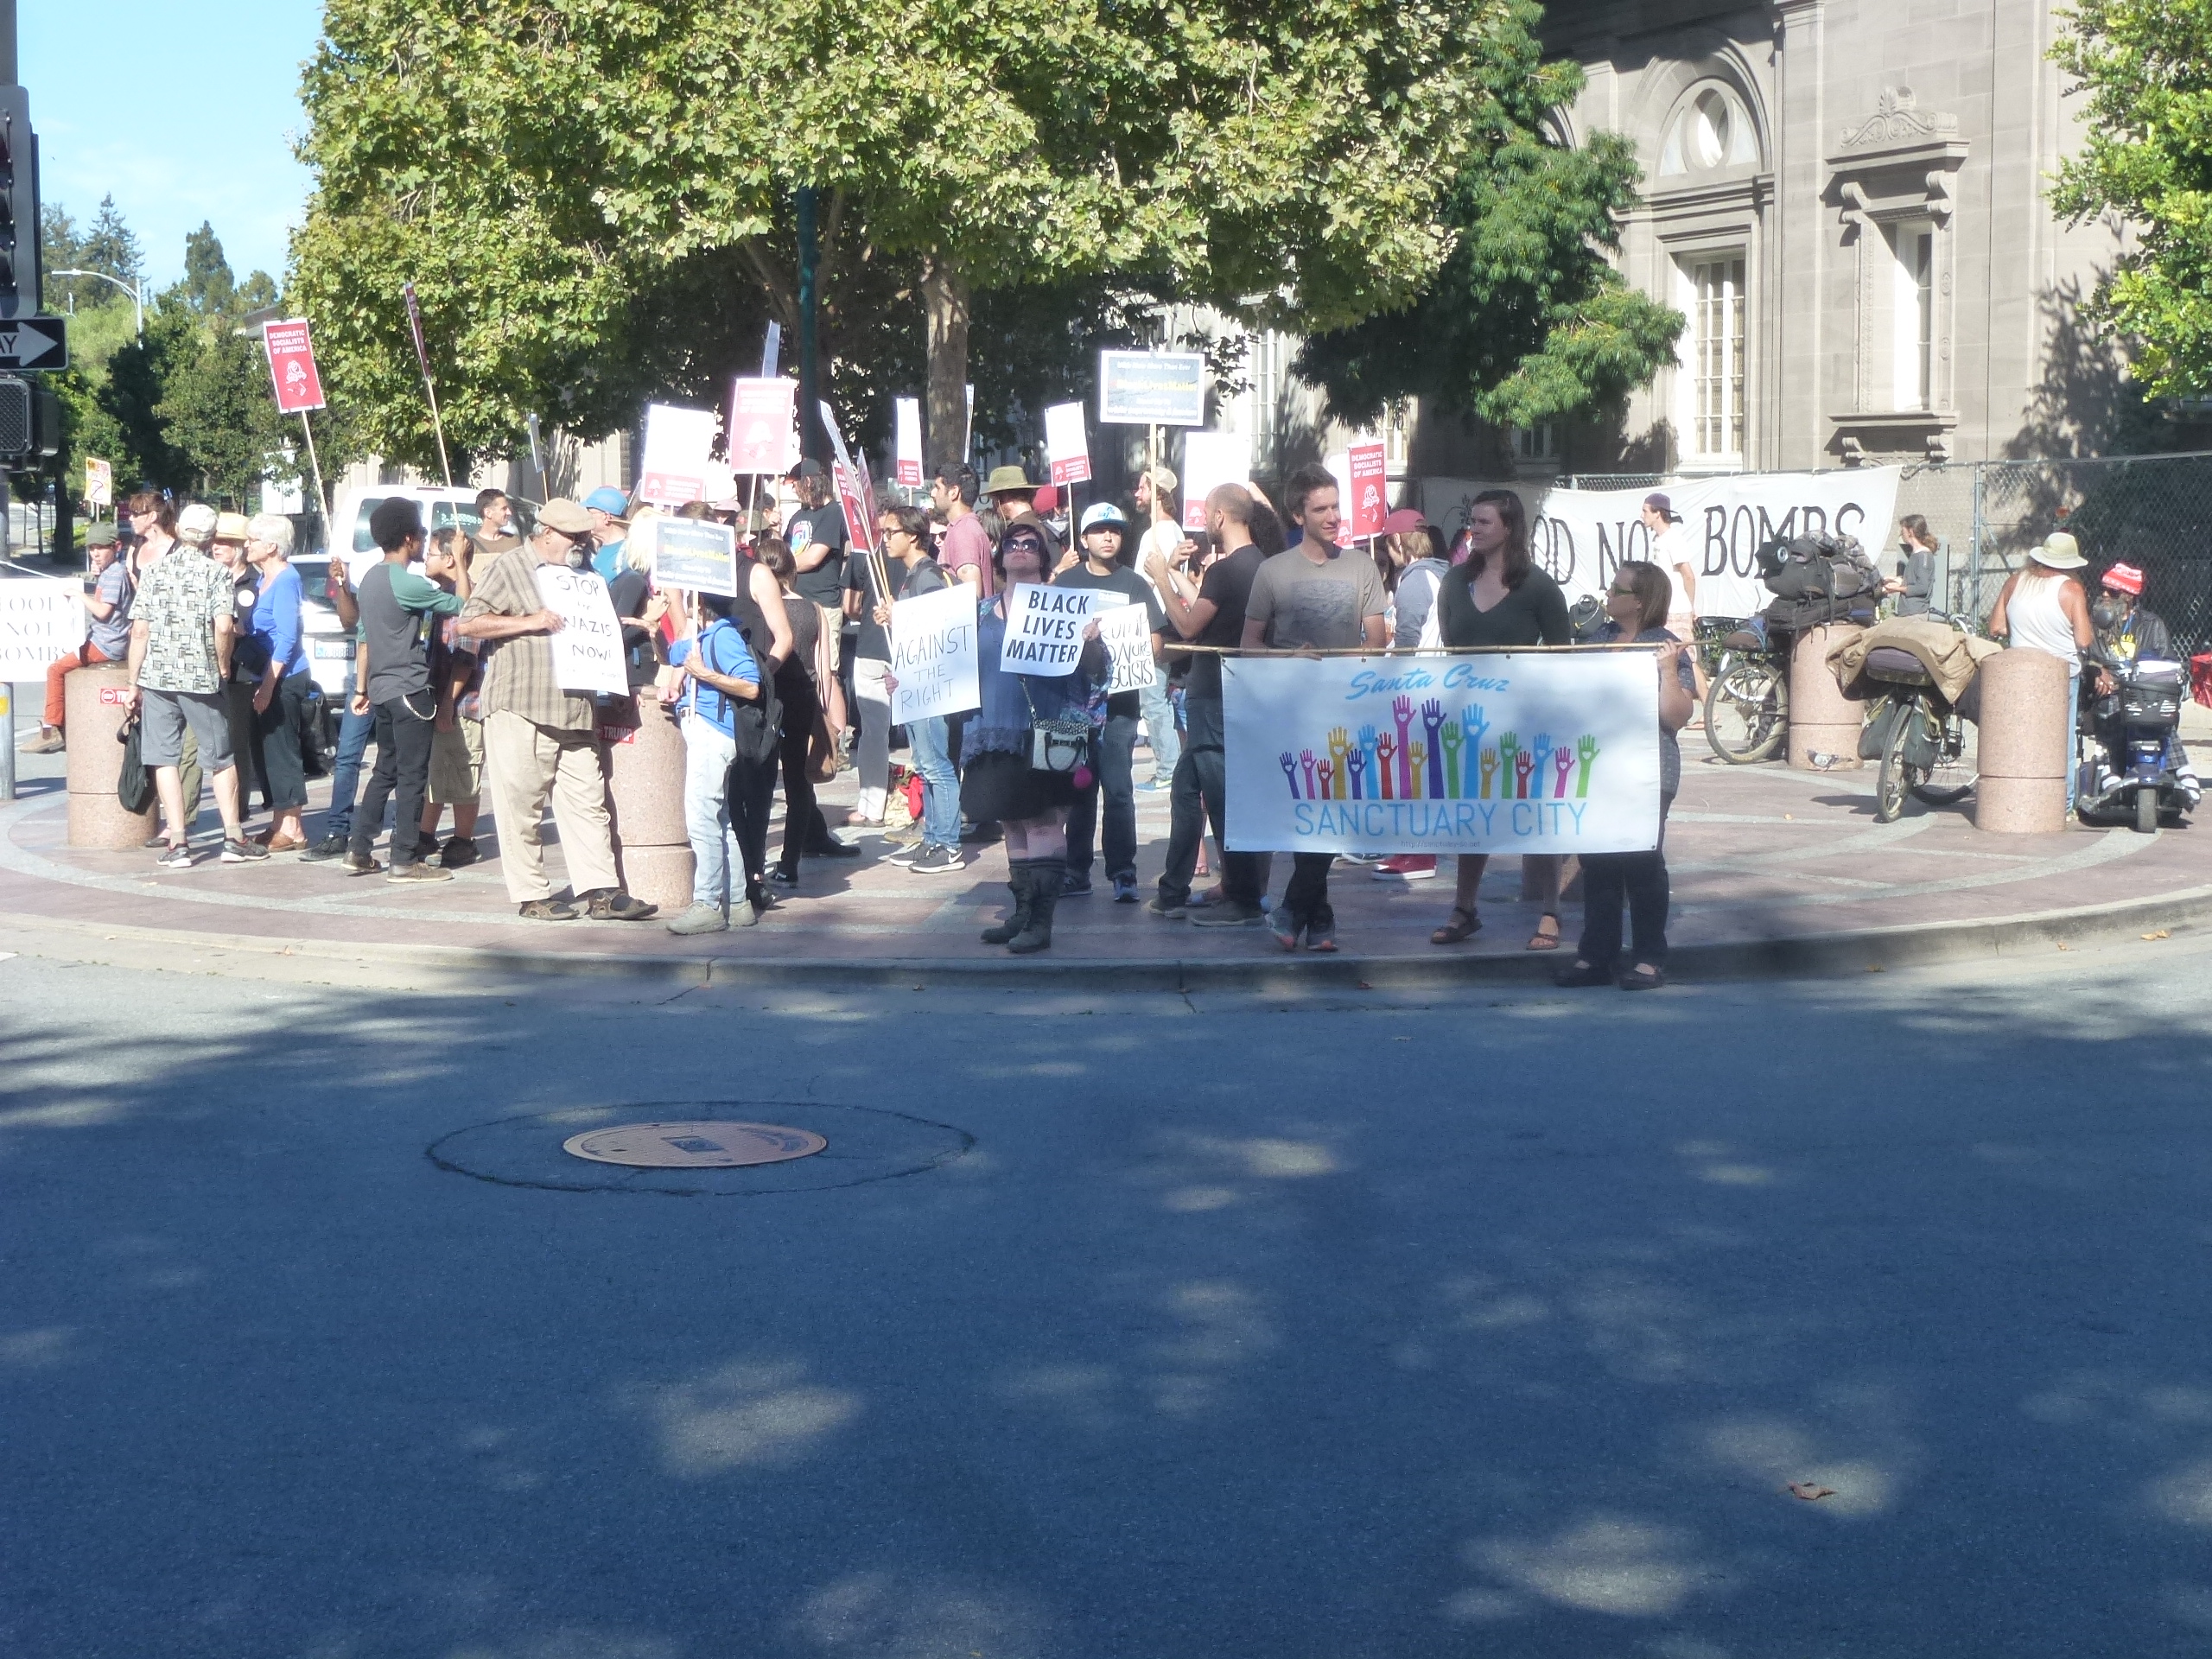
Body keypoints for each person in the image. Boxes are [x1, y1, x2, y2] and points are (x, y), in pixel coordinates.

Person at [458, 498, 658, 921]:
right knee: (521, 806)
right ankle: (532, 895)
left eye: (585, 536)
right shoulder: (509, 567)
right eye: (573, 536)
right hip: (521, 705)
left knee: (589, 802)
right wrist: (529, 621)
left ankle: (602, 891)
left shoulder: (587, 577)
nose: (581, 543)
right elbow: (469, 623)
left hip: (576, 709)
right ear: (547, 532)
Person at [1240, 463, 1390, 951]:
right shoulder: (1272, 572)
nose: (1333, 517)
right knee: (1307, 814)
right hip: (1290, 713)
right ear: (1297, 514)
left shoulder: (1362, 567)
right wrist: (1288, 659)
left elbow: (1377, 642)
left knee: (1334, 812)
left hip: (1346, 711)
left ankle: (1293, 910)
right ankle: (1319, 918)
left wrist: (1354, 658)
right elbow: (1248, 646)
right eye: (1321, 508)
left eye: (1336, 507)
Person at [1427, 488, 1573, 950]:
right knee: (1472, 815)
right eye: (1472, 520)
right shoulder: (1454, 582)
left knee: (1536, 814)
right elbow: (1452, 648)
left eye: (1484, 522)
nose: (1474, 529)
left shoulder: (1540, 587)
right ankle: (1464, 908)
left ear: (1509, 528)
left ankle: (1550, 910)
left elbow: (1563, 657)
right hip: (1468, 721)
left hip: (1525, 721)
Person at [1554, 560, 1697, 990]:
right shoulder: (1597, 640)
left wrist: (1668, 671)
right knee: (1597, 862)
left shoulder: (1665, 645)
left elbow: (1676, 717)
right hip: (1596, 767)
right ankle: (1597, 956)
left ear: (1639, 601)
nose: (1608, 595)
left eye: (1617, 590)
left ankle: (1649, 957)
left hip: (1649, 771)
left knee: (1642, 863)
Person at [963, 525, 1105, 953]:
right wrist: (905, 683)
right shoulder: (978, 614)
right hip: (994, 732)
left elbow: (1098, 671)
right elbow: (949, 668)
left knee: (1043, 822)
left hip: (1051, 730)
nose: (1020, 550)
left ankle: (1041, 922)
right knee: (1012, 821)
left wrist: (1092, 643)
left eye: (1030, 544)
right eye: (1012, 544)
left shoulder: (1067, 610)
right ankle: (1023, 913)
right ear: (1000, 557)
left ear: (1044, 558)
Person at [1148, 483, 1272, 926]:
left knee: (1220, 797)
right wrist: (1177, 576)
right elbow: (1212, 612)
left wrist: (1160, 577)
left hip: (1213, 696)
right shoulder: (1263, 565)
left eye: (1205, 514)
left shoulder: (1225, 570)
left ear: (1220, 516)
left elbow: (1188, 626)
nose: (1203, 522)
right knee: (1186, 790)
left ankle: (1244, 897)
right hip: (1238, 693)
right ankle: (1173, 889)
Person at [124, 502, 267, 868]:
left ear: (178, 530)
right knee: (221, 758)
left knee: (164, 758)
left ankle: (178, 842)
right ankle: (233, 837)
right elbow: (224, 626)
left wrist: (132, 683)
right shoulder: (216, 573)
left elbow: (139, 631)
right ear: (209, 537)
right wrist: (222, 664)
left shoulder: (154, 571)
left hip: (157, 677)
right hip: (201, 679)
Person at [344, 498, 465, 882]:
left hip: (380, 689)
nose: (423, 543)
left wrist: (361, 688)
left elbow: (364, 638)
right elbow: (464, 604)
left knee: (385, 771)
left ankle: (359, 849)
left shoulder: (370, 580)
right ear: (409, 538)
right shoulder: (407, 582)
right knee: (413, 778)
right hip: (411, 690)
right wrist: (461, 562)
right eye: (421, 536)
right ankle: (404, 859)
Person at [1054, 502, 1163, 901]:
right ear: (1084, 539)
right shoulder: (1065, 583)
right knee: (1078, 791)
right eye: (1099, 530)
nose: (1108, 537)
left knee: (1118, 791)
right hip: (1074, 708)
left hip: (1119, 708)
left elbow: (1156, 642)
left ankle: (1123, 872)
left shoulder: (1135, 585)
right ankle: (1076, 870)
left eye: (1115, 530)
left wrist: (1136, 650)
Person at [868, 504, 964, 874]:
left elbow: (938, 627)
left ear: (912, 536)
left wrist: (900, 617)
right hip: (915, 685)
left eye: (890, 532)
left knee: (937, 766)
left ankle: (949, 845)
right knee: (925, 766)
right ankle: (933, 838)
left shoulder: (928, 576)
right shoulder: (914, 577)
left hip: (931, 688)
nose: (885, 539)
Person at [663, 591, 764, 934]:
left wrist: (703, 674)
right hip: (707, 732)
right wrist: (654, 628)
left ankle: (707, 903)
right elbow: (673, 653)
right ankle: (737, 903)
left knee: (702, 821)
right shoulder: (705, 635)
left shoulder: (722, 636)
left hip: (713, 733)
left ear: (701, 604)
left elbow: (751, 687)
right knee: (720, 821)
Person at [756, 537, 846, 888]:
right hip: (804, 698)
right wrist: (823, 712)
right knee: (798, 784)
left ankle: (754, 862)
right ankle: (789, 863)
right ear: (792, 569)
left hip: (767, 697)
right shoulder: (814, 609)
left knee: (762, 781)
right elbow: (825, 670)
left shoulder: (762, 606)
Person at [1987, 531, 2096, 816]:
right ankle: (2063, 803)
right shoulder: (2072, 589)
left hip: (2021, 672)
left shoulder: (2015, 581)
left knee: (2020, 735)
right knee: (2062, 741)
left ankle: (2017, 795)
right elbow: (2084, 639)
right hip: (2061, 675)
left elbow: (1996, 627)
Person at [1370, 510, 1452, 883]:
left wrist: (1386, 676)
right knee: (1418, 773)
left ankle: (1418, 854)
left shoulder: (1416, 578)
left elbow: (1406, 640)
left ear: (1397, 541)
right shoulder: (1444, 573)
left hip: (1415, 688)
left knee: (1411, 774)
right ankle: (1413, 849)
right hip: (1437, 685)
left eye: (1388, 545)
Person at [2087, 561, 2199, 808]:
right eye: (2103, 589)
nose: (2104, 595)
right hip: (2110, 695)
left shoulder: (2151, 625)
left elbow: (2167, 663)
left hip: (2143, 694)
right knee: (2118, 708)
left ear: (2128, 596)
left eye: (2113, 591)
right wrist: (2095, 669)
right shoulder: (2093, 626)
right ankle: (2111, 772)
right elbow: (2084, 656)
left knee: (2158, 714)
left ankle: (2182, 772)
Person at [241, 513, 313, 851]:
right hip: (264, 673)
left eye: (252, 540)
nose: (247, 545)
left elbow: (287, 637)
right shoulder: (263, 578)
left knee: (283, 751)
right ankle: (278, 822)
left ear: (271, 546)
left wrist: (268, 686)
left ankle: (294, 827)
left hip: (284, 677)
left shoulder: (286, 579)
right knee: (268, 751)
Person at [417, 528, 487, 868]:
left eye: (431, 553)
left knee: (463, 770)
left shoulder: (469, 597)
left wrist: (448, 703)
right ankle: (425, 834)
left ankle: (463, 840)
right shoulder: (441, 596)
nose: (424, 559)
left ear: (449, 558)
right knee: (435, 770)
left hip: (463, 703)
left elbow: (465, 657)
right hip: (439, 700)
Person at [29, 522, 130, 753]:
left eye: (101, 548)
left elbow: (103, 611)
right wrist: (98, 577)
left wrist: (79, 594)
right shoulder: (112, 572)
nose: (95, 553)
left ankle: (52, 729)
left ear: (116, 547)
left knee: (55, 670)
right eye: (92, 548)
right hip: (106, 641)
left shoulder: (114, 575)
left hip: (105, 644)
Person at [842, 514, 914, 826]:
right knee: (918, 730)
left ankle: (872, 807)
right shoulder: (919, 555)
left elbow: (850, 606)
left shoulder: (864, 552)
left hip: (872, 645)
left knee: (874, 732)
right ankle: (919, 800)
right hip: (912, 647)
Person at [1129, 465, 1189, 794]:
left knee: (1153, 701)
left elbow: (1155, 581)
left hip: (1155, 623)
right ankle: (1174, 767)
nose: (1137, 494)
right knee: (1160, 699)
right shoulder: (1170, 530)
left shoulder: (1159, 533)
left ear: (1157, 493)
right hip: (1163, 622)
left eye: (1143, 487)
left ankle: (1169, 769)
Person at [929, 461, 993, 596]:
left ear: (954, 492)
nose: (932, 493)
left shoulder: (963, 532)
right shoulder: (965, 528)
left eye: (937, 488)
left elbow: (971, 596)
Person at [1890, 515, 1938, 617]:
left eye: (1903, 530)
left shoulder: (1923, 556)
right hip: (1908, 612)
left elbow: (1922, 587)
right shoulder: (1915, 554)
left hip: (1915, 613)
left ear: (1910, 531)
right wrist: (1895, 581)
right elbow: (1912, 581)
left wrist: (1898, 589)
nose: (1901, 533)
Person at [583, 486, 630, 582]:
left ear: (606, 517)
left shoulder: (629, 553)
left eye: (589, 513)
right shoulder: (596, 549)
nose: (585, 518)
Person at [474, 487, 522, 560]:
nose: (509, 513)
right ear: (488, 513)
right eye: (504, 509)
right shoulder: (472, 546)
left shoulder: (514, 542)